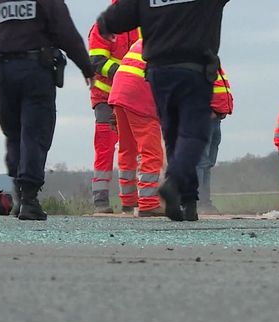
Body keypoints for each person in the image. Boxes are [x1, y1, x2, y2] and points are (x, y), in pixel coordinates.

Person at [96, 0, 230, 221]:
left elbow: (115, 18)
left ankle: (186, 202)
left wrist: (104, 25)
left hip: (158, 72)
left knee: (172, 135)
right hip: (193, 69)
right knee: (193, 134)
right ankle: (175, 184)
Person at [0, 0, 94, 220]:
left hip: (4, 73)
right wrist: (86, 66)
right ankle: (29, 199)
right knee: (35, 133)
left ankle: (19, 195)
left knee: (14, 133)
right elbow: (67, 33)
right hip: (37, 71)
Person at [88, 5, 139, 213]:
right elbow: (97, 62)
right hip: (105, 97)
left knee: (134, 146)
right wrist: (126, 73)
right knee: (105, 146)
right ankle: (101, 199)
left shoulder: (141, 25)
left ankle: (132, 199)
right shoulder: (103, 27)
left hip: (132, 97)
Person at [108, 39, 164, 217]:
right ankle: (148, 203)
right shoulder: (178, 42)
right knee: (152, 151)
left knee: (127, 148)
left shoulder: (149, 36)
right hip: (140, 95)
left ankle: (128, 200)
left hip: (120, 92)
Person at [196, 65, 234, 214]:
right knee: (200, 162)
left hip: (215, 119)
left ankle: (205, 202)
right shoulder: (199, 64)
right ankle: (199, 202)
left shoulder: (214, 67)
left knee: (207, 163)